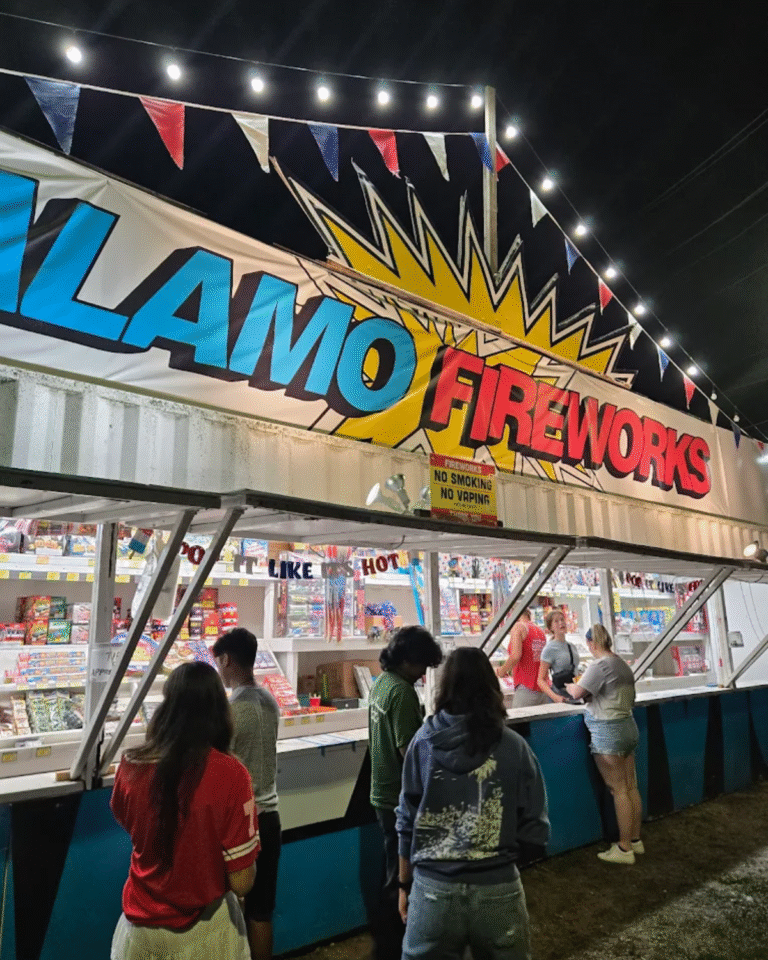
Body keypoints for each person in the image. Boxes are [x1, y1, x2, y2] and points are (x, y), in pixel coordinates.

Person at [396, 647, 550, 960]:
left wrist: (403, 884)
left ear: (444, 686)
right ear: (490, 685)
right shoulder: (514, 747)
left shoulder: (422, 742)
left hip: (432, 889)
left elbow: (406, 821)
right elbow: (535, 827)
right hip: (498, 887)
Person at [110, 661, 258, 960]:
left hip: (136, 933)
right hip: (207, 933)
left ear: (167, 707)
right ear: (219, 711)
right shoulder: (231, 774)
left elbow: (129, 822)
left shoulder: (130, 765)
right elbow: (242, 882)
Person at [368, 625, 444, 960]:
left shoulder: (381, 683)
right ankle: (394, 944)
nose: (422, 674)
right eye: (422, 666)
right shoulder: (401, 692)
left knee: (389, 870)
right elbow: (409, 752)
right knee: (399, 877)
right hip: (397, 794)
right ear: (410, 661)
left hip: (380, 790)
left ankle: (388, 941)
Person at [213, 628, 282, 960]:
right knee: (262, 911)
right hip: (271, 818)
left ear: (226, 660)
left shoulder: (230, 711)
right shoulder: (269, 700)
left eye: (218, 663)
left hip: (241, 824)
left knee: (233, 909)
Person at [565, 623, 643, 865]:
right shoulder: (621, 664)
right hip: (628, 726)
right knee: (630, 786)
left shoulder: (599, 665)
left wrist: (569, 686)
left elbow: (577, 693)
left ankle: (623, 848)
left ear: (591, 644)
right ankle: (636, 840)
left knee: (618, 789)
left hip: (608, 731)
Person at [495, 608, 550, 707]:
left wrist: (501, 671)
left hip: (526, 686)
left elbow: (515, 656)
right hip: (543, 688)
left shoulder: (519, 627)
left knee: (518, 721)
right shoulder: (540, 630)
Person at [537, 608, 580, 704]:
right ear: (551, 627)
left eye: (562, 619)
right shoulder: (549, 648)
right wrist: (555, 697)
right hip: (560, 695)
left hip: (575, 693)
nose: (561, 623)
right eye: (556, 621)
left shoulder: (571, 646)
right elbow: (540, 680)